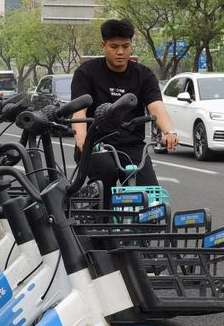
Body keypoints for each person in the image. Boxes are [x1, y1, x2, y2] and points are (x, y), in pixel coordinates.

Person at [71, 19, 178, 207]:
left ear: (130, 46)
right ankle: (100, 230)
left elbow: (156, 107)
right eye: (114, 46)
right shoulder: (87, 72)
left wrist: (169, 132)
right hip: (95, 145)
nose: (120, 52)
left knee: (149, 197)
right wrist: (82, 137)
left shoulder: (144, 75)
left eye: (125, 46)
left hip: (132, 146)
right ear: (103, 45)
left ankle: (141, 234)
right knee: (106, 173)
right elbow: (79, 110)